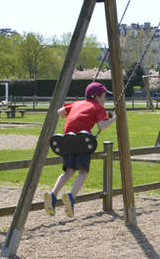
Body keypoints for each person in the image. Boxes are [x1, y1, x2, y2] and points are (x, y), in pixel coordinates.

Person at [44, 82, 116, 218]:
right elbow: (101, 126)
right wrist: (113, 119)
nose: (105, 99)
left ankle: (53, 195)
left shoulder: (76, 103)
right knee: (83, 172)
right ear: (96, 96)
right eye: (104, 96)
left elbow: (60, 112)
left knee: (69, 171)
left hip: (66, 140)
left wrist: (72, 113)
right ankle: (71, 197)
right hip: (82, 140)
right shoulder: (98, 108)